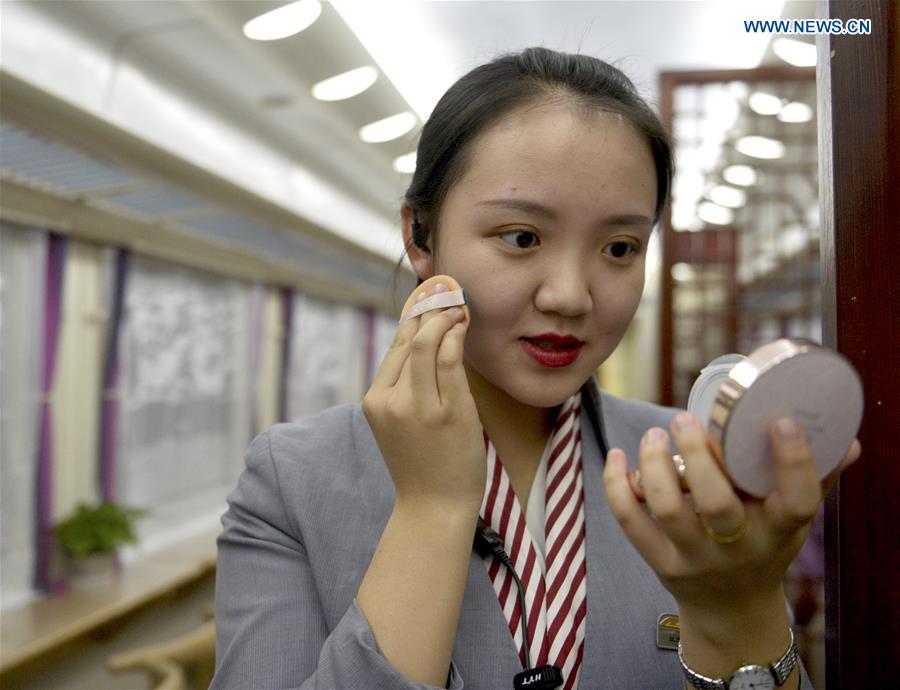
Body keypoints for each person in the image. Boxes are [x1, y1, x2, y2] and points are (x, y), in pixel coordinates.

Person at [211, 47, 860, 690]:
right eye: (521, 238)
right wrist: (432, 509)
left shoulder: (695, 469)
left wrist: (738, 613)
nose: (571, 296)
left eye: (619, 248)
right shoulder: (293, 479)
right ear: (420, 236)